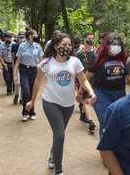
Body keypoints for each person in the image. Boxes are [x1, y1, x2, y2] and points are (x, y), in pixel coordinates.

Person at [25, 32, 96, 175]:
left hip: (68, 104)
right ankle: (59, 170)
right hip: (51, 102)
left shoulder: (75, 62)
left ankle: (52, 155)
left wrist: (91, 91)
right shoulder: (46, 62)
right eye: (64, 45)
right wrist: (32, 100)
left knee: (59, 133)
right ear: (56, 46)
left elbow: (83, 79)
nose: (67, 47)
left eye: (69, 45)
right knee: (60, 134)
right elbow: (37, 82)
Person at [83, 32, 128, 137]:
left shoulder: (123, 58)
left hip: (120, 94)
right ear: (107, 45)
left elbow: (129, 75)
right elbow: (87, 76)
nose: (116, 47)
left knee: (119, 122)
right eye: (113, 44)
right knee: (106, 122)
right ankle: (106, 150)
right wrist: (82, 92)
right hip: (101, 93)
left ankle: (115, 148)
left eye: (118, 44)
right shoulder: (98, 57)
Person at [13, 29, 43, 121]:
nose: (36, 36)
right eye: (35, 35)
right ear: (30, 36)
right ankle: (25, 112)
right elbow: (17, 61)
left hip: (33, 70)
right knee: (26, 91)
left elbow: (41, 60)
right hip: (23, 70)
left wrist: (44, 73)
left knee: (32, 91)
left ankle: (32, 112)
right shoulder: (22, 46)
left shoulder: (37, 46)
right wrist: (14, 75)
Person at [76, 31, 96, 132]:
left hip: (94, 80)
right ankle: (90, 121)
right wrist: (75, 82)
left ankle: (83, 114)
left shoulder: (96, 52)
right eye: (88, 39)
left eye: (92, 39)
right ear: (84, 39)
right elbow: (75, 68)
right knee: (86, 99)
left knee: (87, 98)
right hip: (83, 80)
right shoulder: (79, 53)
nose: (90, 41)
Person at [11, 31, 25, 104]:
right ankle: (16, 95)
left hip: (25, 67)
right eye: (20, 37)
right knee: (17, 83)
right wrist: (13, 65)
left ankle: (22, 98)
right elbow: (12, 55)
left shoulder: (27, 45)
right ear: (17, 38)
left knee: (23, 83)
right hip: (17, 67)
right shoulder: (14, 45)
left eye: (23, 37)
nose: (22, 39)